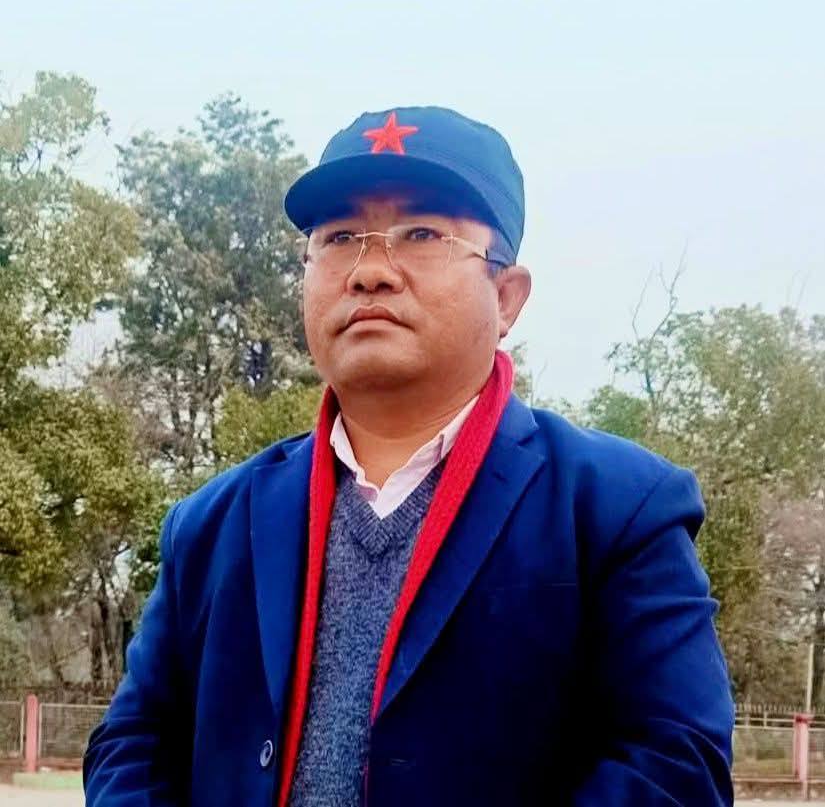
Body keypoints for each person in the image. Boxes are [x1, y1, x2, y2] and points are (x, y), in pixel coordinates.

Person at [84, 106, 734, 806]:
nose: (370, 272)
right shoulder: (212, 524)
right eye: (339, 238)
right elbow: (132, 742)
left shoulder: (614, 508)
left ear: (507, 297)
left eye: (421, 234)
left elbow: (677, 762)